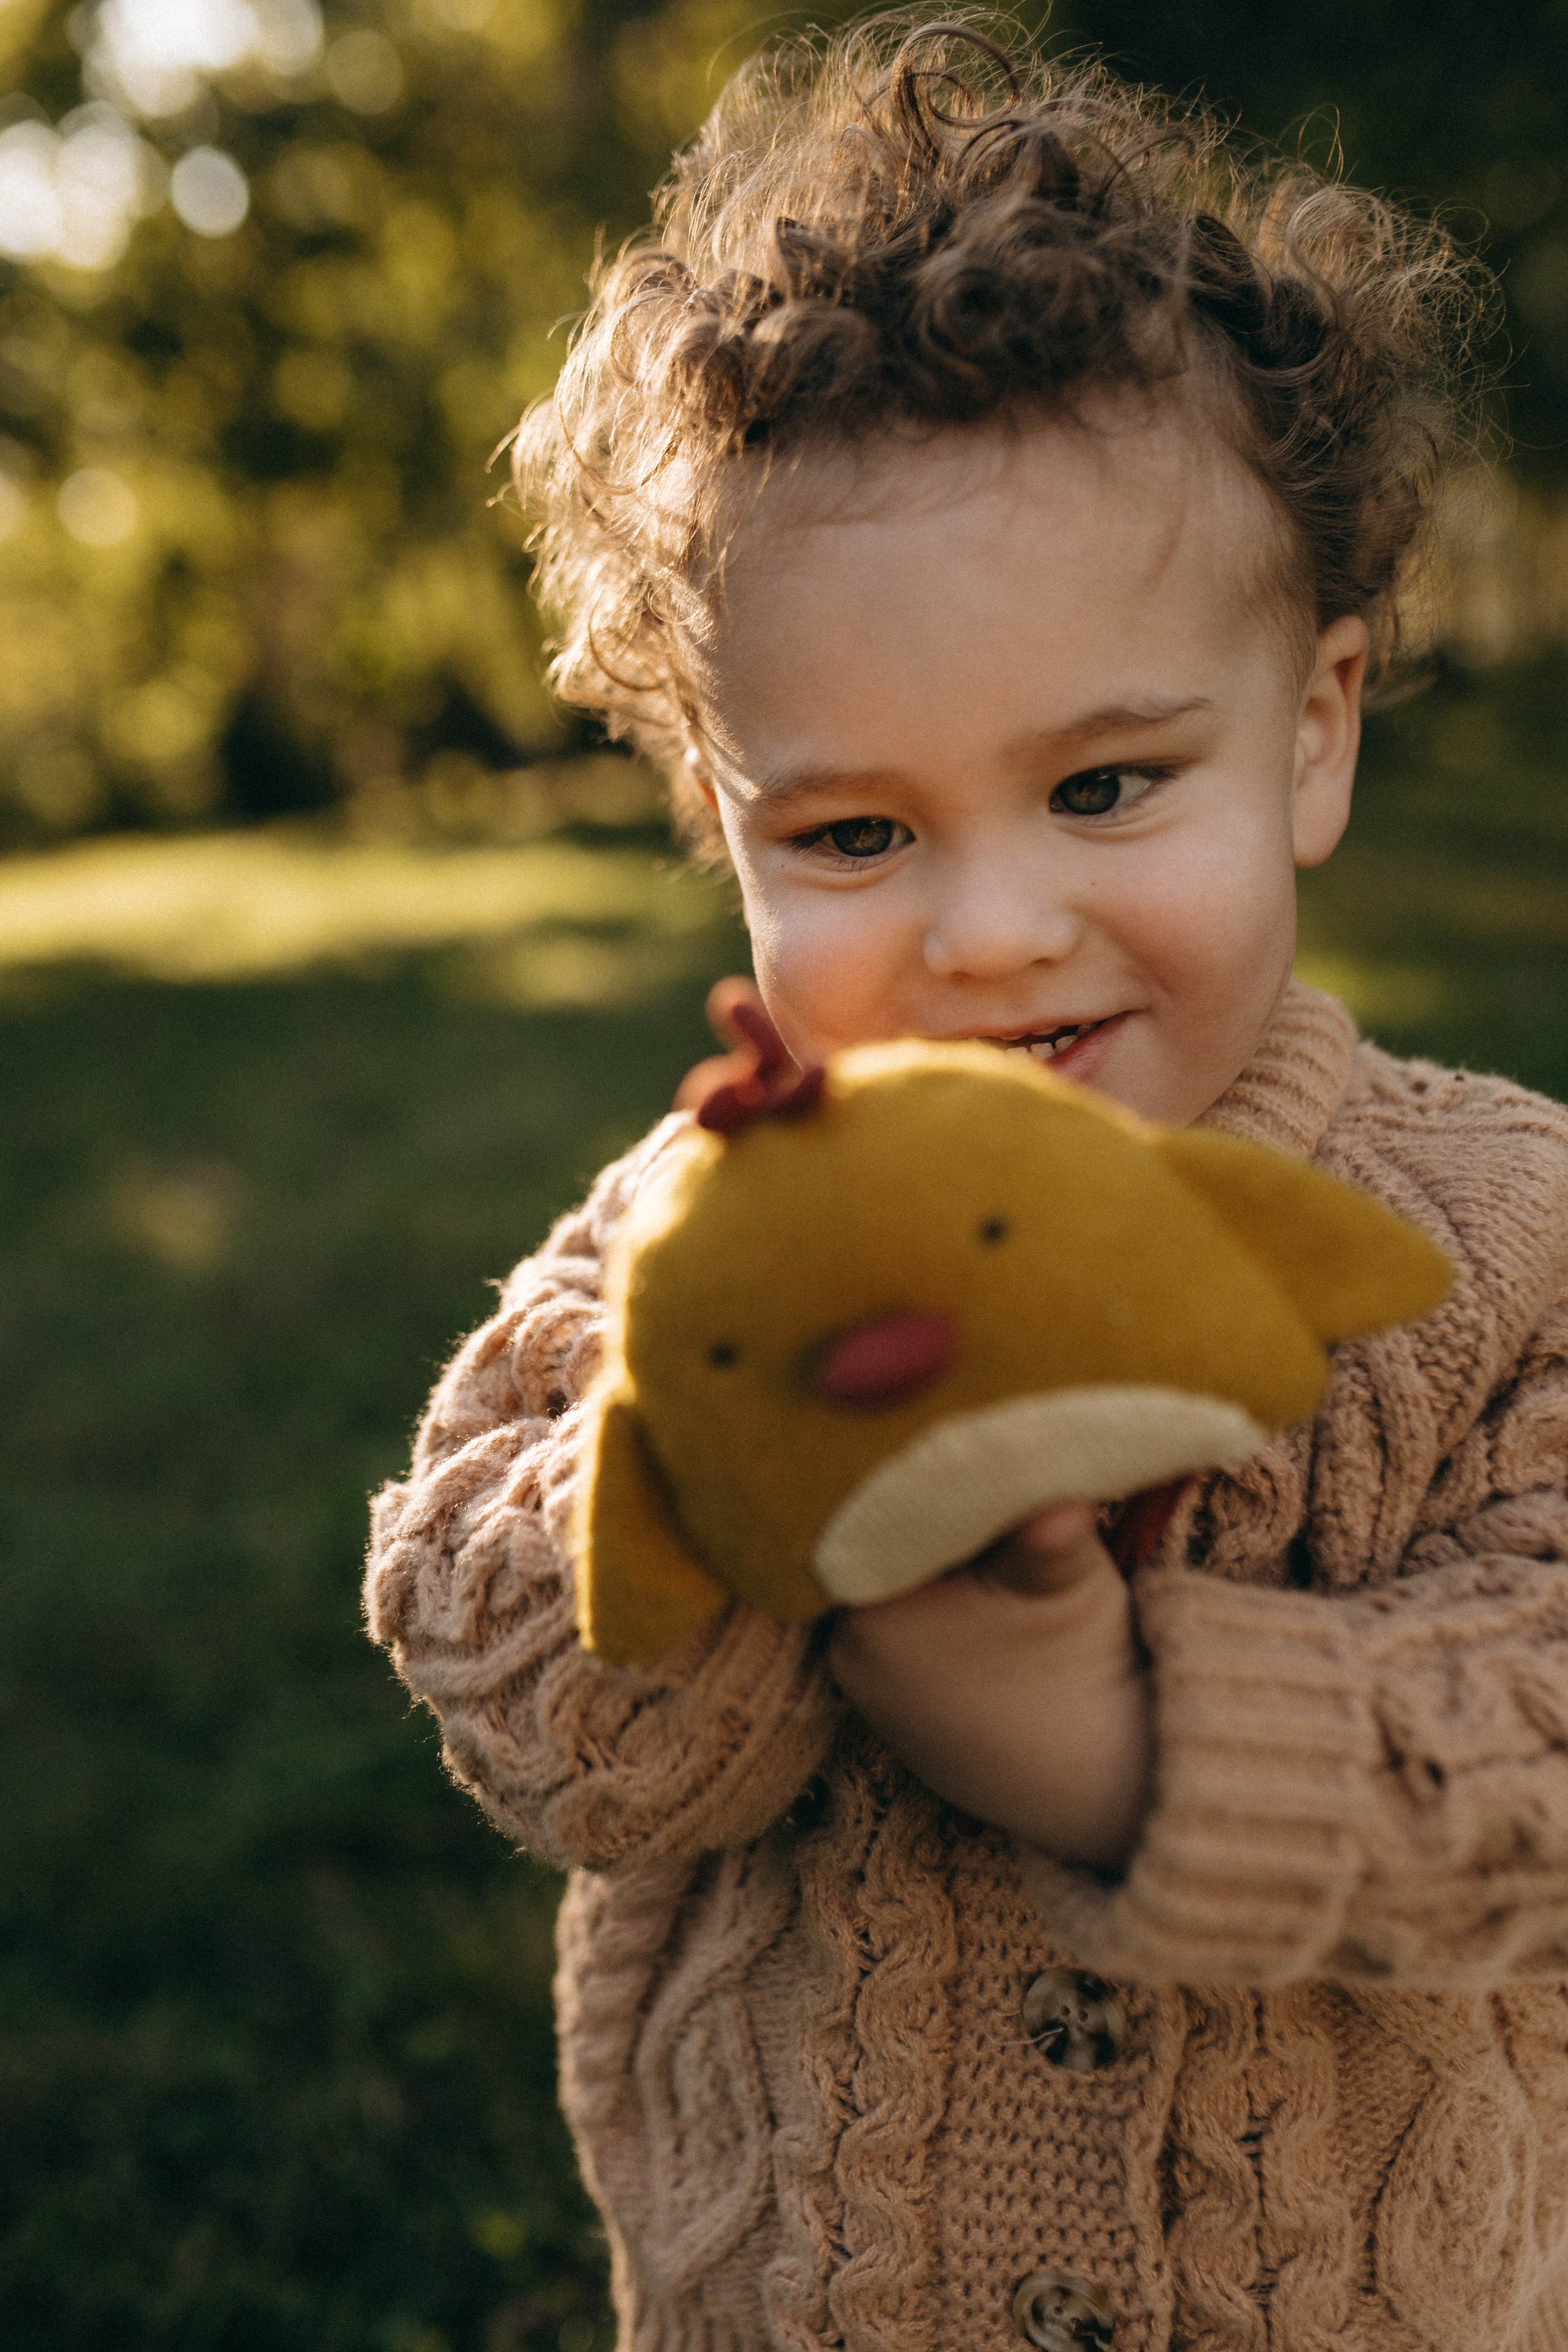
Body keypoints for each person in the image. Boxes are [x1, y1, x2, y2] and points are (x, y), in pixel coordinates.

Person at [363, 20, 1568, 2350]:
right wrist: (737, 1493)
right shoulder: (703, 1228)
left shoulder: (1503, 1241)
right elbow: (516, 1689)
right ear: (723, 818)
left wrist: (1106, 1736)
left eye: (1107, 788)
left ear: (1311, 731)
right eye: (853, 834)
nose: (993, 928)